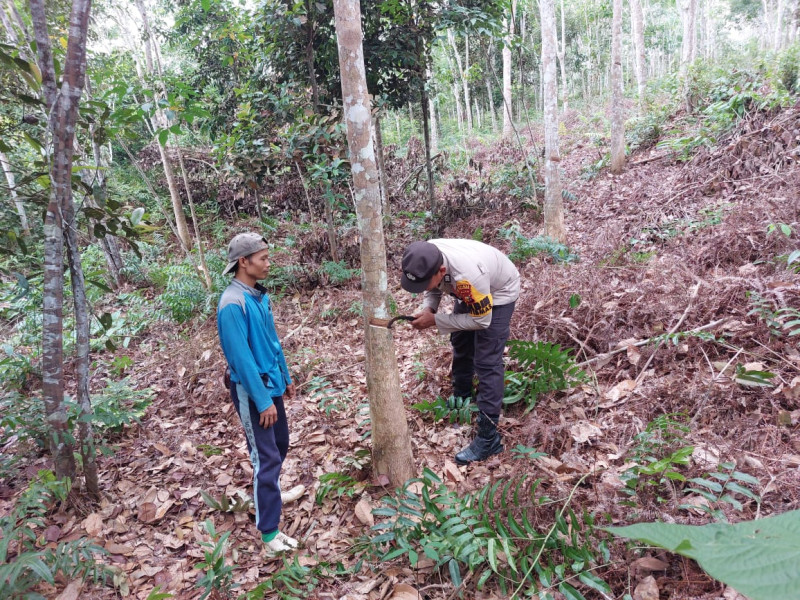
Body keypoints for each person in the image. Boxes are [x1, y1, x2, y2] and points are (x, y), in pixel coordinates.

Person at [217, 232, 305, 553]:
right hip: (252, 392)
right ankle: (269, 533)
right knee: (265, 457)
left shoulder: (258, 296)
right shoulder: (232, 304)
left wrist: (285, 376)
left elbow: (271, 342)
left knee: (280, 443)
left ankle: (272, 491)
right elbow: (240, 357)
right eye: (263, 258)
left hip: (271, 385)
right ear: (244, 262)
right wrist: (263, 400)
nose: (269, 263)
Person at [400, 239, 520, 465]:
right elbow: (433, 286)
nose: (424, 288)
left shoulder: (467, 276)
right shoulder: (427, 254)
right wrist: (429, 308)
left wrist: (435, 320)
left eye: (425, 283)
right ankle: (462, 396)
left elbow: (482, 320)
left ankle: (489, 438)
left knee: (487, 359)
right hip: (472, 289)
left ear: (442, 271)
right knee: (461, 340)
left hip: (499, 291)